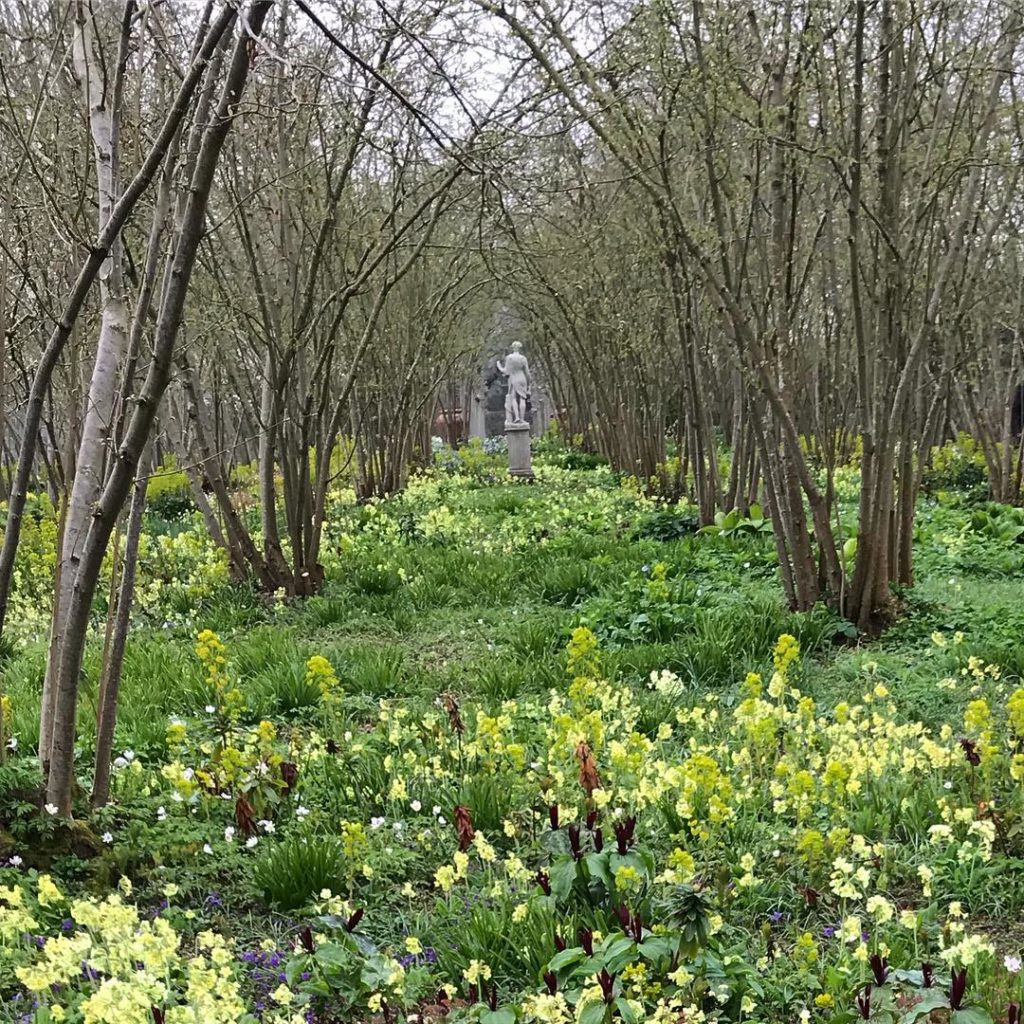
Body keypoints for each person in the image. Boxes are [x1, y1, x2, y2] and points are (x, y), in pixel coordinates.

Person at [497, 341, 531, 426]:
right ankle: (522, 419)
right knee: (523, 399)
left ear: (512, 347)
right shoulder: (523, 358)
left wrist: (499, 366)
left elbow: (506, 371)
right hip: (522, 378)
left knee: (514, 398)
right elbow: (527, 372)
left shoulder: (509, 358)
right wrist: (529, 383)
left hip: (513, 378)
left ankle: (517, 417)